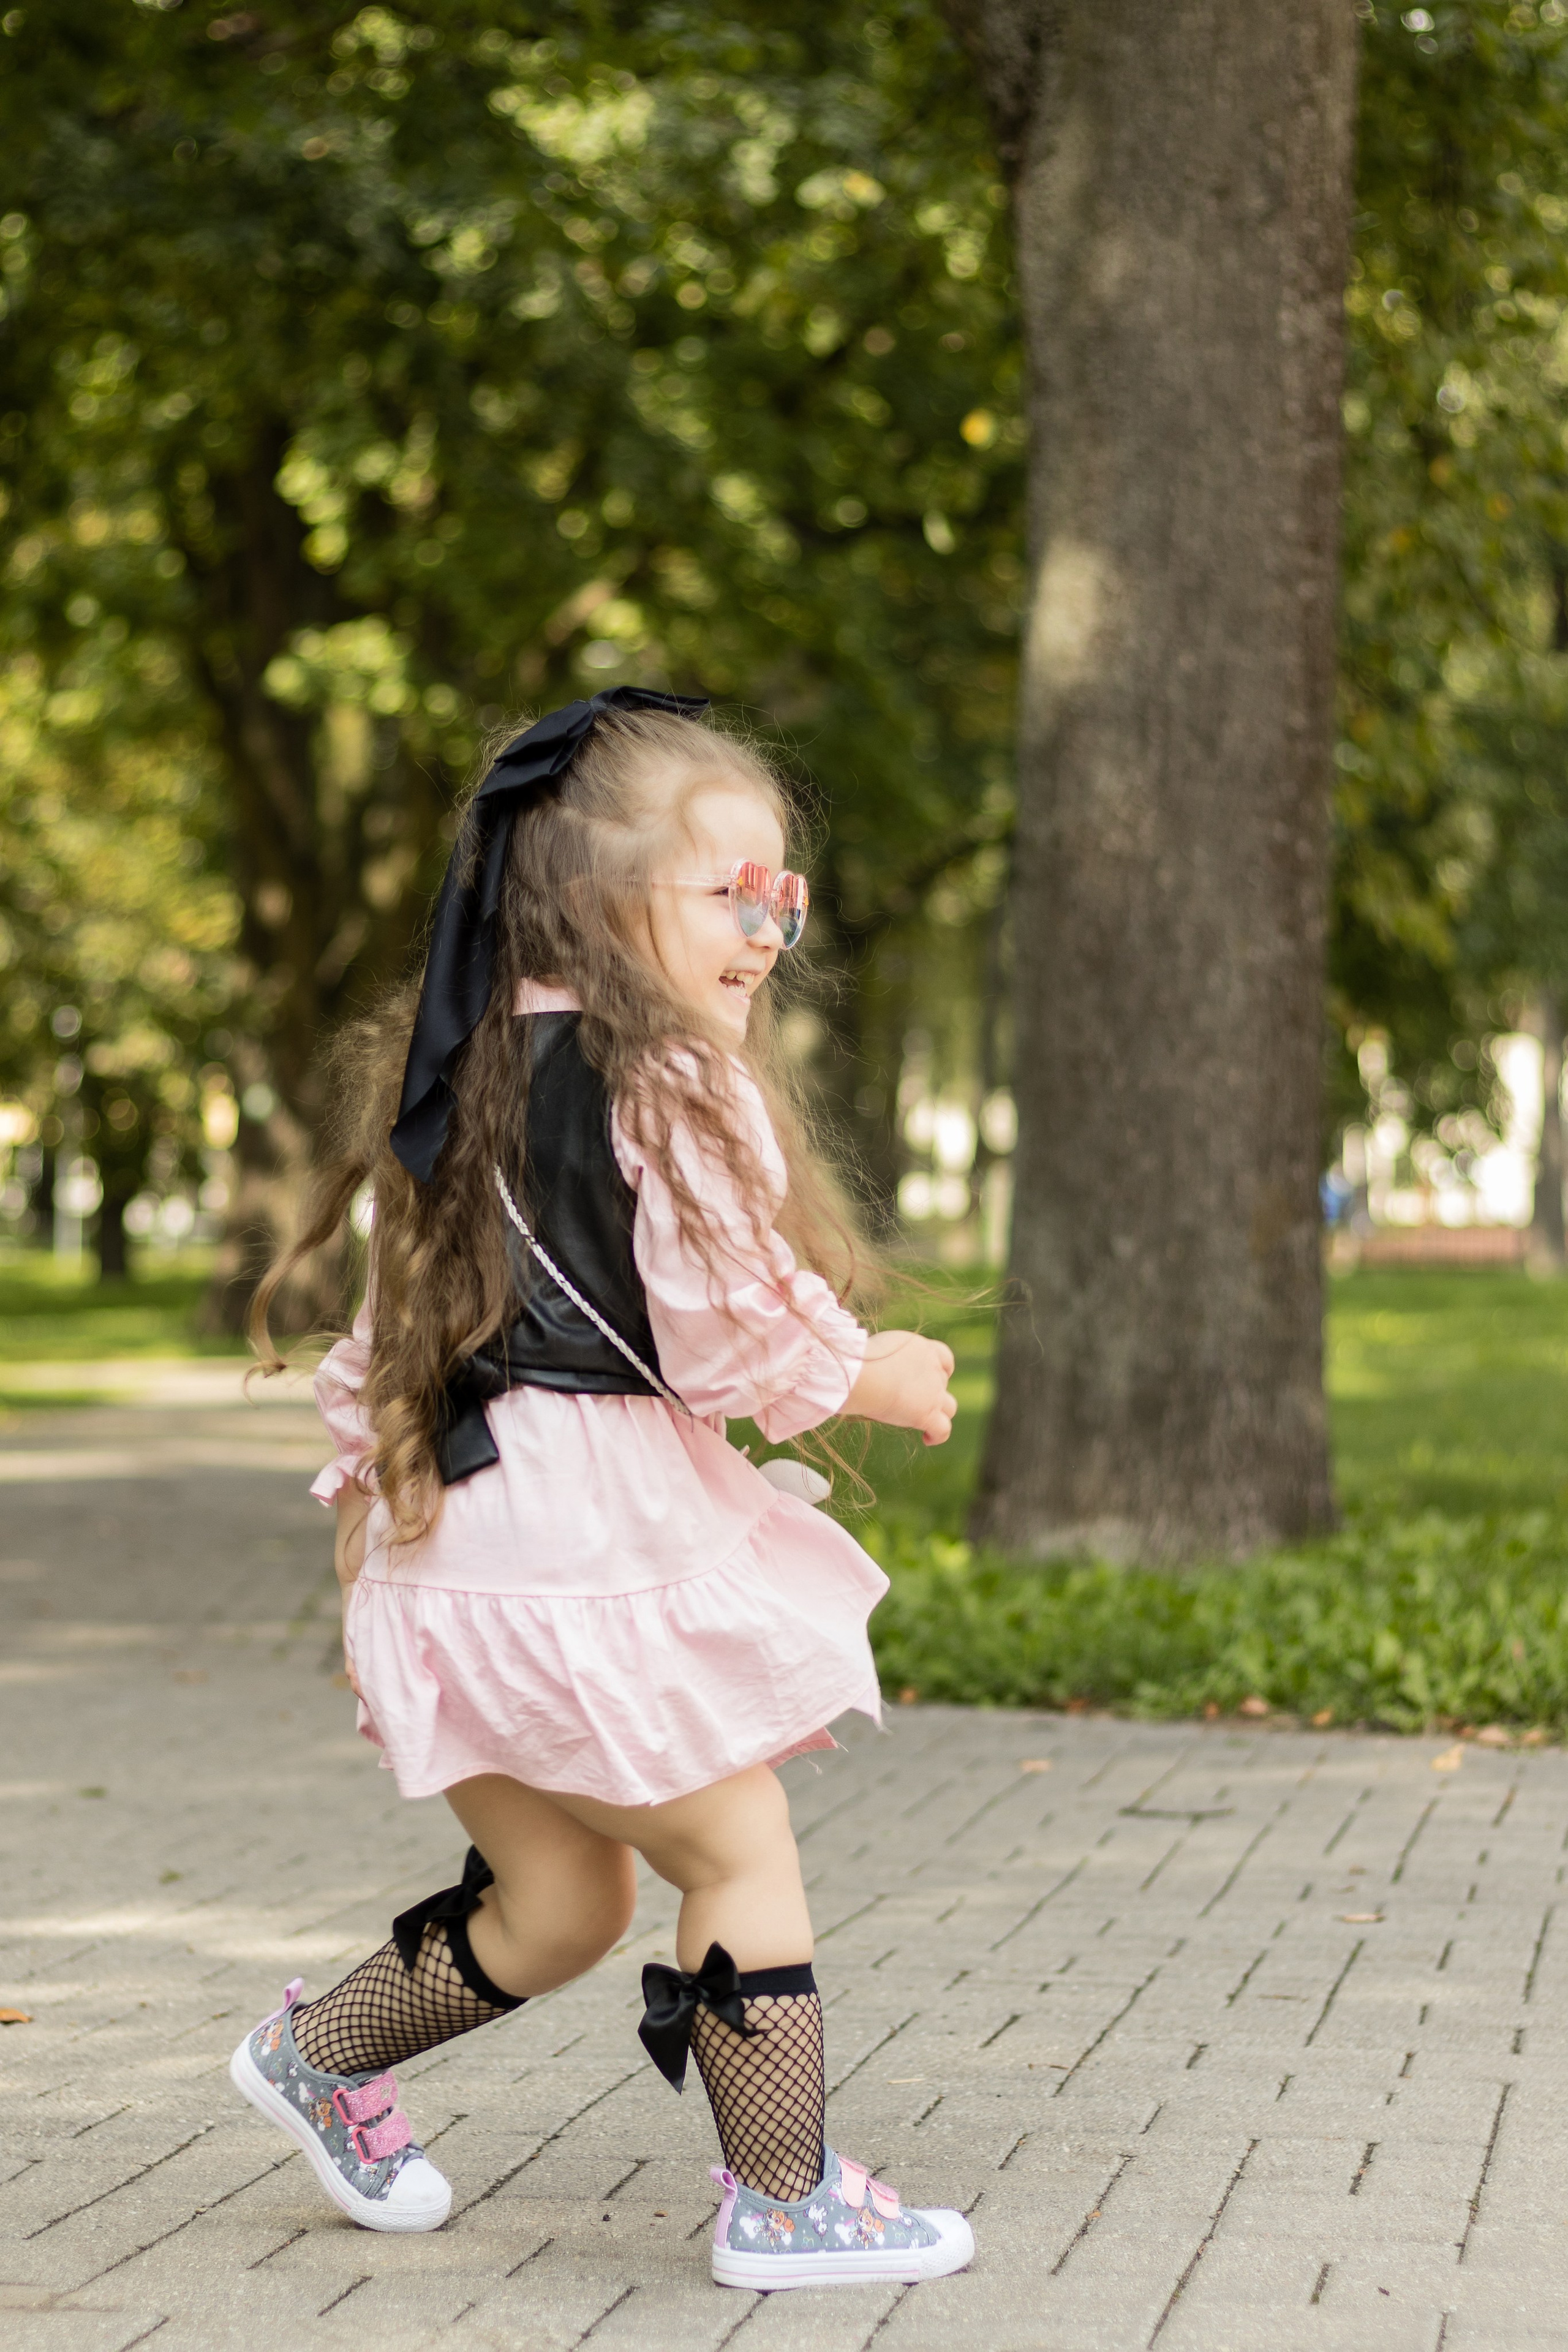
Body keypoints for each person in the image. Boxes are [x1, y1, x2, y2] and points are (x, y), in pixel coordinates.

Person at [232, 687, 973, 2290]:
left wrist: (369, 1522)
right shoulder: (677, 1082)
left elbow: (381, 1342)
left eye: (784, 898)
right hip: (580, 1558)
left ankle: (316, 2055)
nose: (769, 930)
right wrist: (875, 1373)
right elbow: (727, 1332)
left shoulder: (457, 1068)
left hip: (451, 1565)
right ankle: (785, 2201)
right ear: (594, 895)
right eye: (734, 892)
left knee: (564, 1901)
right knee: (739, 1847)